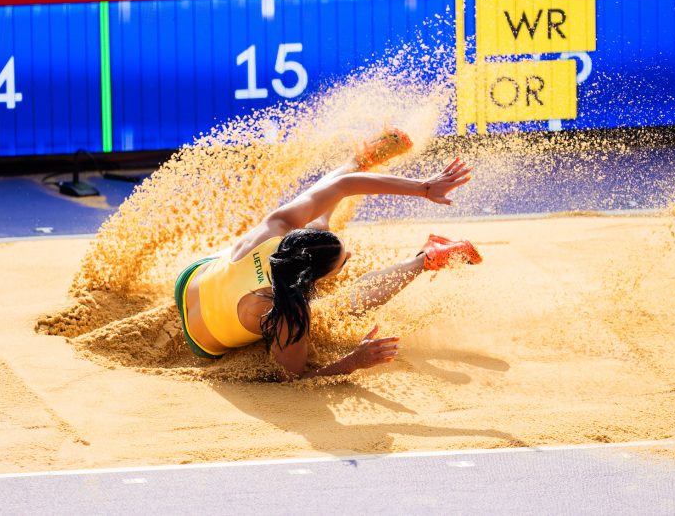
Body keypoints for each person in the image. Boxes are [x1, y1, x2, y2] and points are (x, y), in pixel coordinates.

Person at [173, 128, 480, 380]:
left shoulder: (275, 229)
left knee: (317, 218)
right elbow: (292, 379)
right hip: (204, 344)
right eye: (340, 265)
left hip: (190, 281)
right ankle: (424, 258)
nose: (347, 259)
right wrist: (354, 361)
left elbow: (343, 185)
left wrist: (425, 188)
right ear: (312, 278)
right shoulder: (289, 317)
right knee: (341, 305)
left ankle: (360, 160)